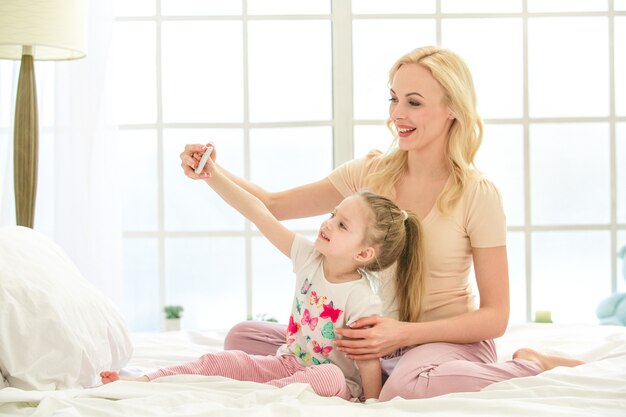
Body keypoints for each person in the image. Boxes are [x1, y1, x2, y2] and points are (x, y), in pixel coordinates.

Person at [178, 45, 583, 401]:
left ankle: (529, 363)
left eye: (414, 102)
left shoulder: (477, 194)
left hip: (441, 341)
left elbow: (495, 316)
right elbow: (272, 204)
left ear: (453, 110)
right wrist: (211, 169)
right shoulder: (369, 173)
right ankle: (376, 371)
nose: (396, 115)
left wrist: (402, 334)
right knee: (242, 338)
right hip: (371, 341)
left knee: (408, 388)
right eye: (393, 99)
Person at [102, 145, 426, 401]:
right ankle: (145, 380)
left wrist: (371, 404)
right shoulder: (308, 257)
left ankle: (261, 395)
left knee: (327, 377)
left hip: (336, 383)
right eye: (332, 214)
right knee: (227, 361)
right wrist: (212, 174)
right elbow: (259, 212)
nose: (327, 223)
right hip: (288, 364)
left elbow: (368, 362)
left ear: (364, 253)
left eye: (342, 224)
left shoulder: (361, 299)